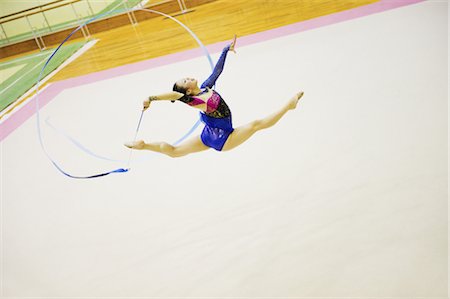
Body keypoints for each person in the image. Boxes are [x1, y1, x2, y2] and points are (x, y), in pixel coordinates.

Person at [124, 36, 304, 157]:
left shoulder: (205, 88)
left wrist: (226, 50)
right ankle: (288, 106)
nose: (188, 77)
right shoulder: (196, 101)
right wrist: (151, 98)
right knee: (256, 125)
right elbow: (174, 95)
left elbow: (217, 71)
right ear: (186, 92)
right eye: (185, 81)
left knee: (175, 151)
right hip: (224, 137)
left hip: (208, 134)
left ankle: (143, 145)